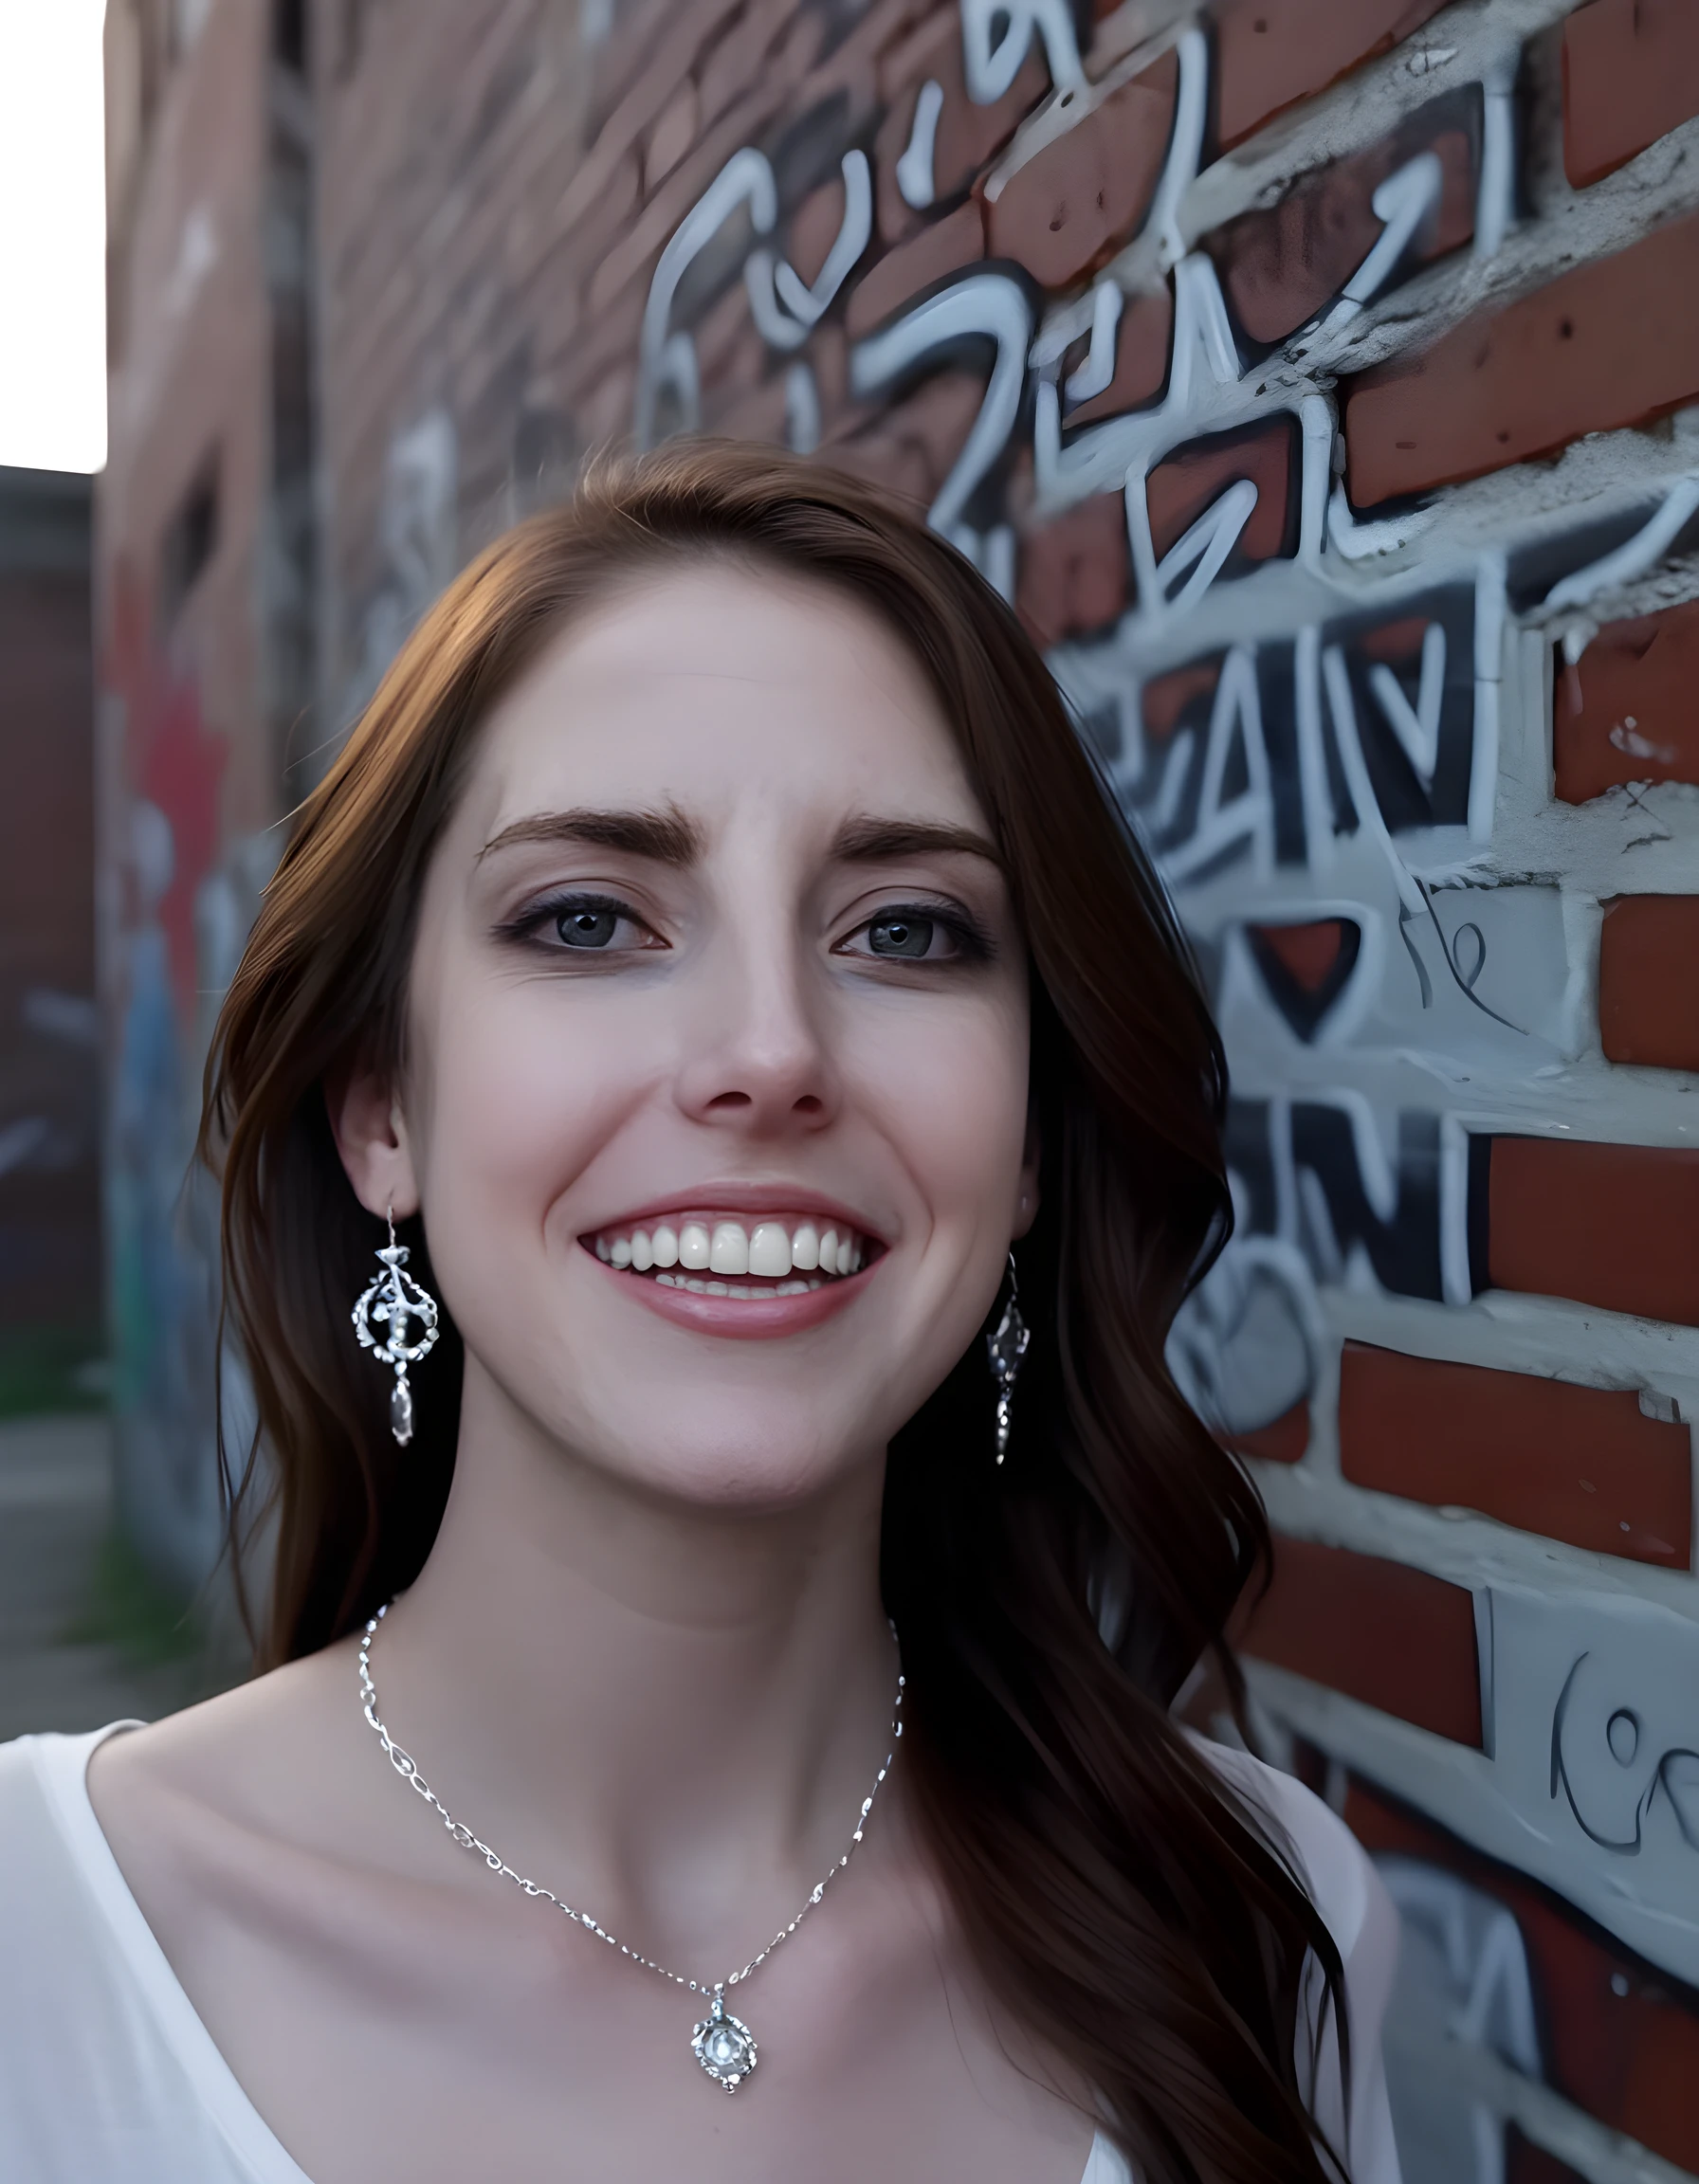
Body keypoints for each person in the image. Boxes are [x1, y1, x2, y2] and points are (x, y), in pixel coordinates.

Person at [0, 443, 1399, 2184]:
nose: (769, 1054)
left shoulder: (1256, 1920)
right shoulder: (38, 1948)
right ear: (384, 1113)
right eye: (588, 918)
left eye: (905, 929)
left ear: (1030, 1138)